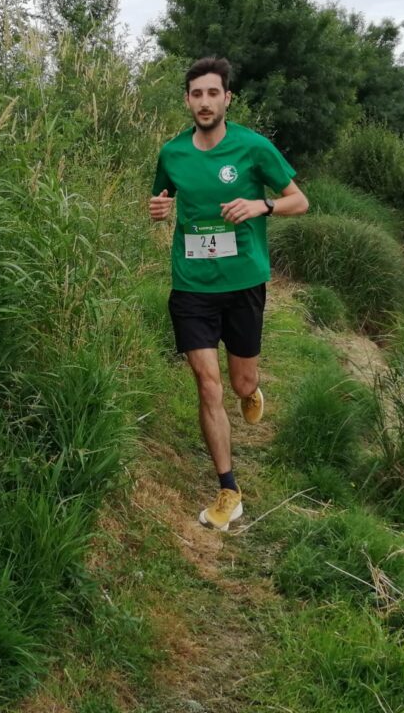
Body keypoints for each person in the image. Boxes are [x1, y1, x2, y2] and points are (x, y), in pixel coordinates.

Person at [148, 57, 309, 531]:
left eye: (213, 93)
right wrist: (158, 209)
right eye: (196, 94)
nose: (204, 102)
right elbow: (161, 198)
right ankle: (229, 489)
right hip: (191, 285)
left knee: (239, 384)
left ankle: (251, 390)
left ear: (227, 99)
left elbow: (300, 201)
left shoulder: (253, 147)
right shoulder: (172, 153)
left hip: (243, 283)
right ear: (187, 100)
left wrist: (262, 205)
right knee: (207, 383)